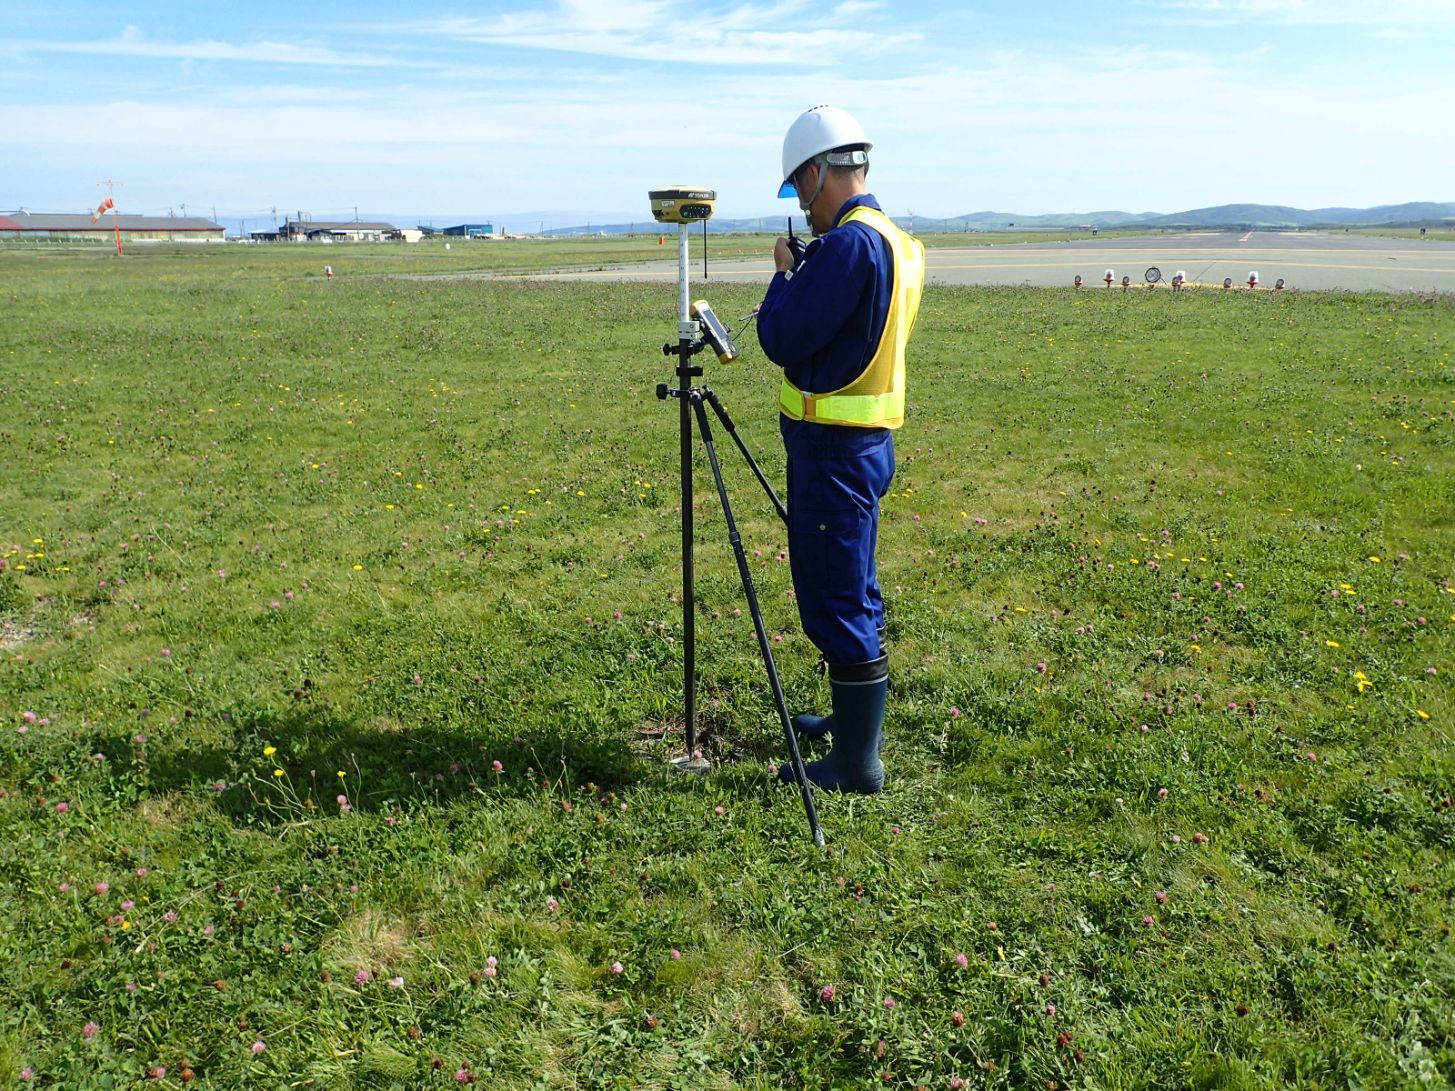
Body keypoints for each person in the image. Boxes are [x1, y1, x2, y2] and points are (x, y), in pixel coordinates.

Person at [755, 104, 925, 794]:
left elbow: (781, 338)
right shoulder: (895, 240)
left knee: (833, 597)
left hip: (833, 452)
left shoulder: (849, 245)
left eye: (799, 188)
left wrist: (783, 275)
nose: (801, 203)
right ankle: (849, 723)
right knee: (853, 584)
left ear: (820, 172)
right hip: (863, 445)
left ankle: (856, 763)